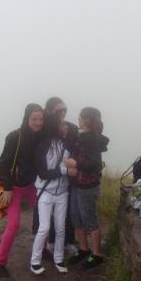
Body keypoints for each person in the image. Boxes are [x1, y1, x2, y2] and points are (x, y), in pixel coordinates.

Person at [0, 103, 44, 279]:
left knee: (44, 216)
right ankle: (0, 264)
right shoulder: (15, 136)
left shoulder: (40, 136)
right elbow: (3, 164)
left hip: (31, 186)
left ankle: (42, 249)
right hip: (13, 188)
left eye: (40, 119)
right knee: (13, 225)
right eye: (34, 119)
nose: (38, 123)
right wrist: (7, 189)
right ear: (26, 118)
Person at [32, 97, 78, 255]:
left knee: (65, 214)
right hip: (46, 180)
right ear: (50, 111)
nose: (63, 113)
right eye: (59, 110)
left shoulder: (72, 128)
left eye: (65, 109)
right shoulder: (42, 129)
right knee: (45, 217)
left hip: (66, 180)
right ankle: (47, 245)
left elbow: (78, 148)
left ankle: (66, 242)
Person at [65, 107, 109, 269]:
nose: (77, 120)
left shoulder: (91, 139)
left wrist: (76, 164)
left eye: (79, 117)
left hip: (88, 187)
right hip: (77, 184)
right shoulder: (82, 136)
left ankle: (97, 254)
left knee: (89, 219)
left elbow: (96, 165)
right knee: (76, 217)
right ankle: (84, 249)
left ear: (86, 120)